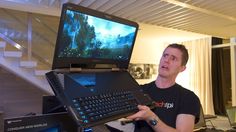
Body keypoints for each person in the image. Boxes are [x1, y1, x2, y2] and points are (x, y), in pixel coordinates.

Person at [126, 43, 201, 132]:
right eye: (165, 55)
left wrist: (150, 117)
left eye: (173, 58)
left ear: (182, 68)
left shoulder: (188, 97)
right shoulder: (140, 90)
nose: (166, 60)